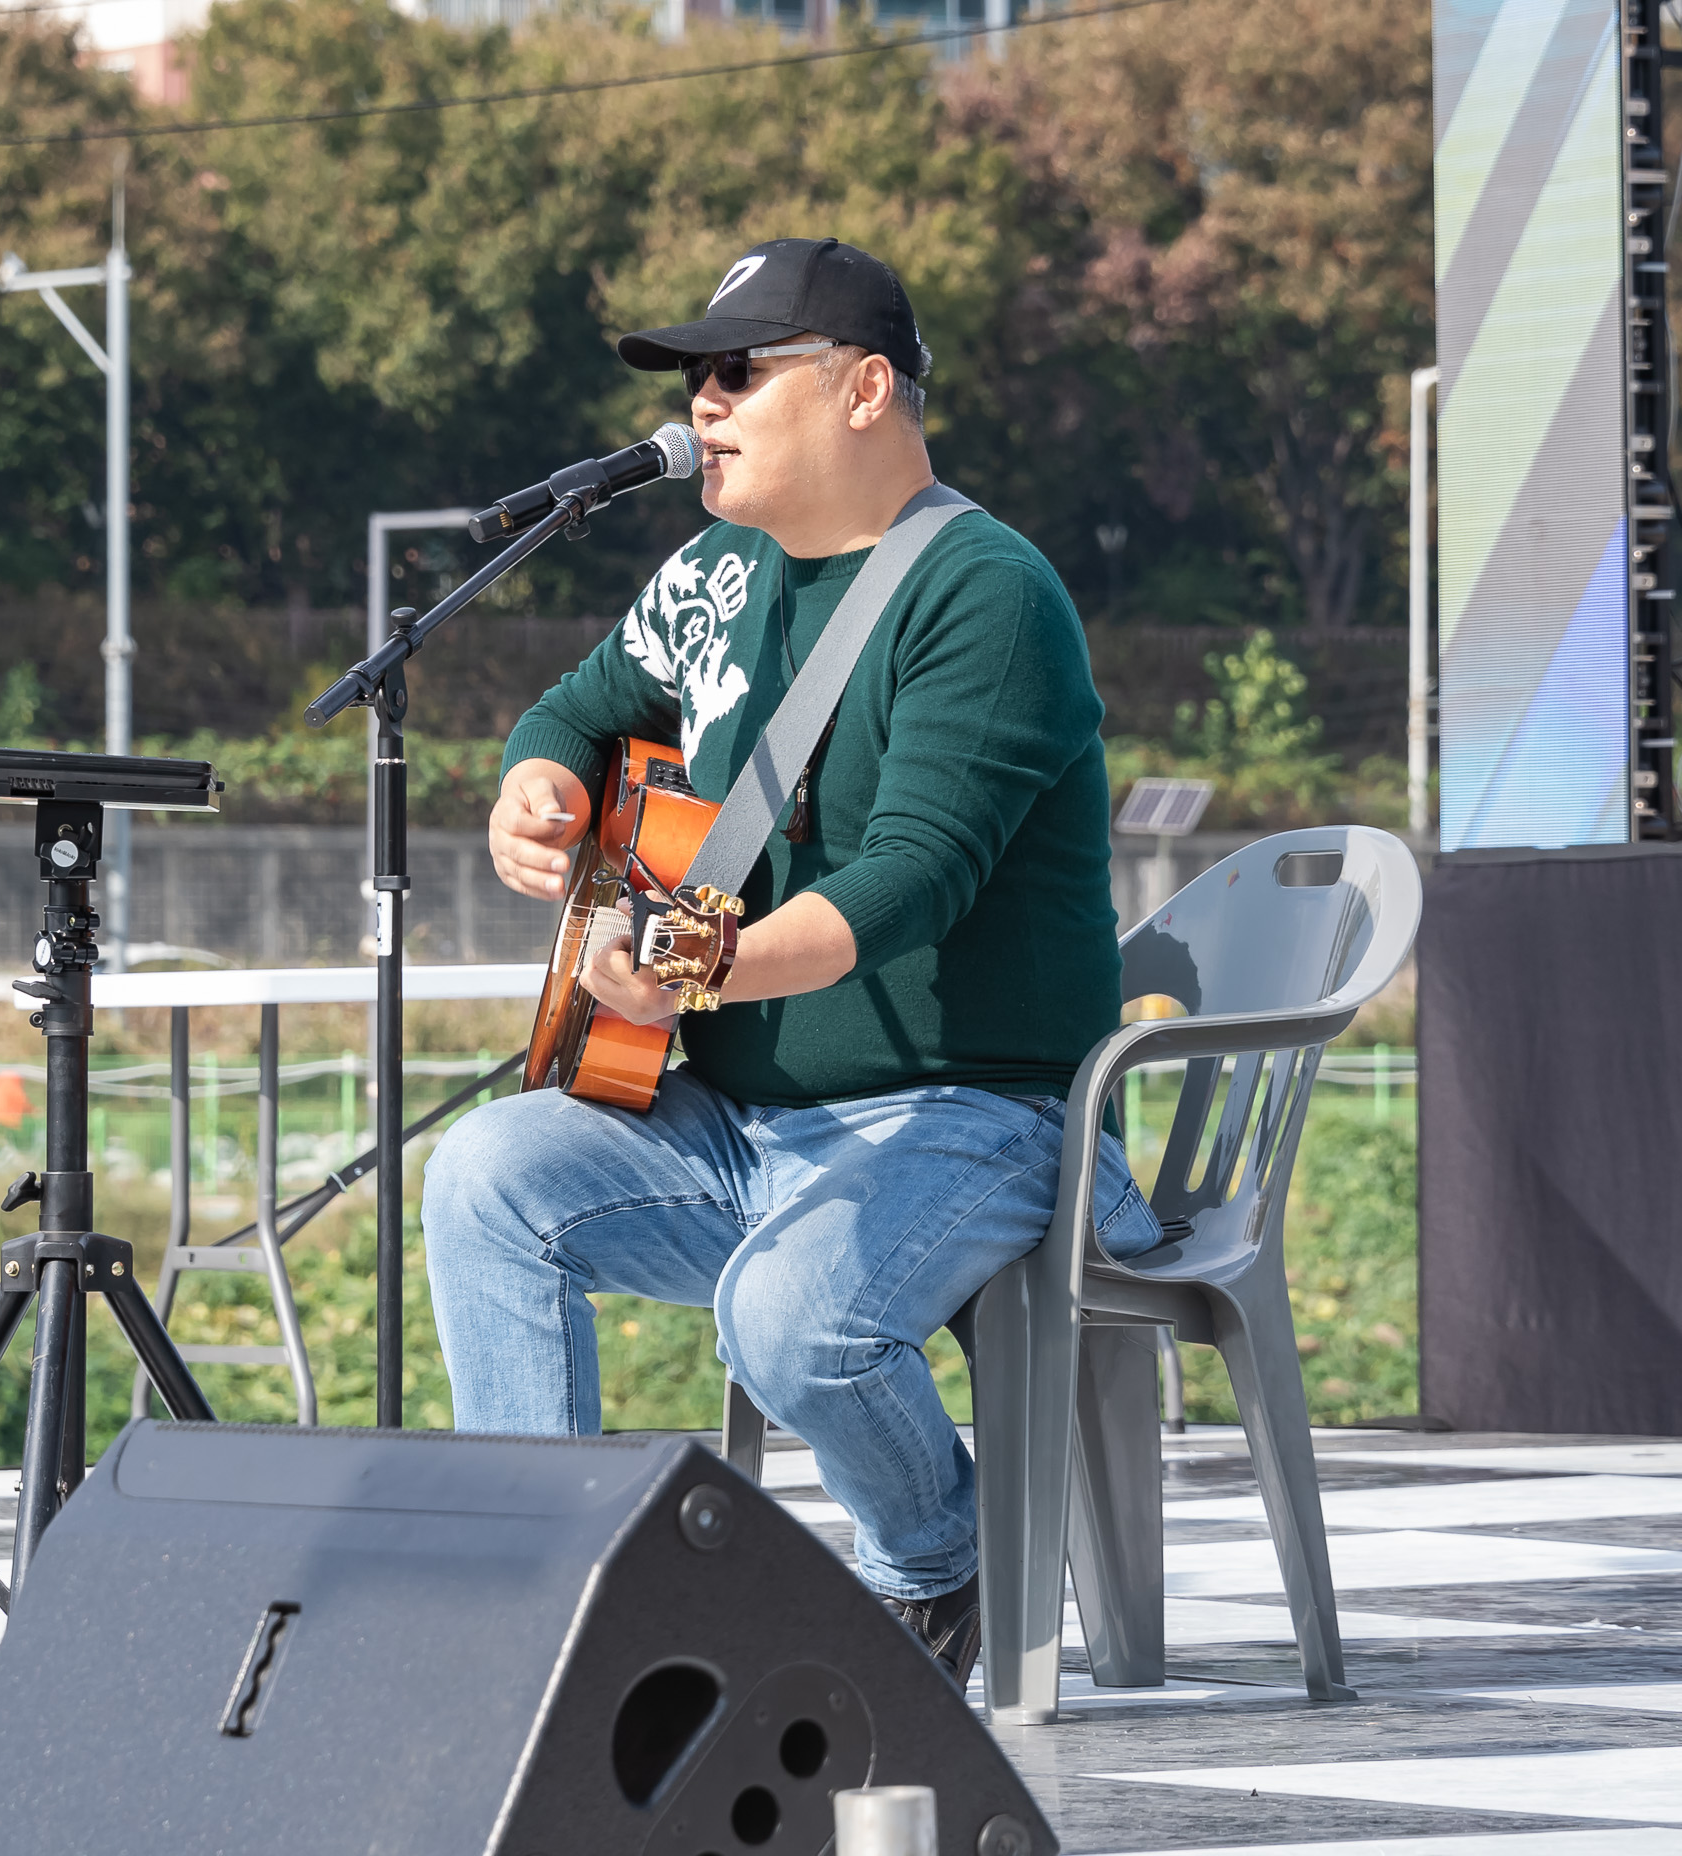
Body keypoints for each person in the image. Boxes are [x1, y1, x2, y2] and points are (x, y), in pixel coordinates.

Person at [422, 236, 1162, 1687]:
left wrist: (695, 970)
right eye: (697, 375)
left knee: (791, 1315)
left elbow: (913, 881)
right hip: (747, 1127)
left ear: (867, 388)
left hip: (981, 1118)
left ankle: (942, 1562)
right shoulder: (713, 573)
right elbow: (577, 710)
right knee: (486, 1176)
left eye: (739, 371)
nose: (705, 402)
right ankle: (546, 1617)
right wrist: (537, 787)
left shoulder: (986, 592)